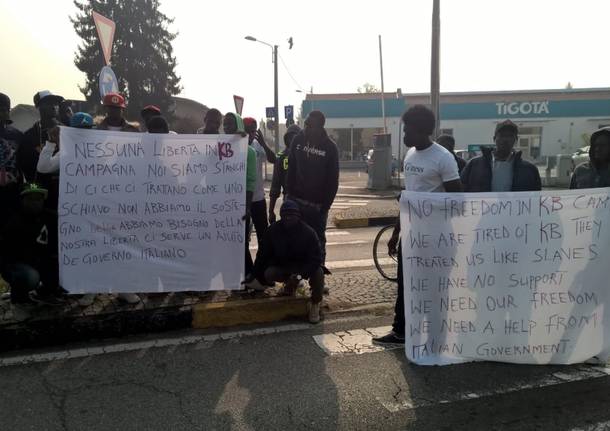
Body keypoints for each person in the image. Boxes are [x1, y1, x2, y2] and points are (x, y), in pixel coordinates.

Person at [373, 105, 463, 345]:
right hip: (412, 236)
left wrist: (421, 202)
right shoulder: (410, 155)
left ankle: (437, 335)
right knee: (406, 285)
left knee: (435, 289)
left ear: (422, 130)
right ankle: (401, 330)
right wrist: (395, 233)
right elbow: (408, 197)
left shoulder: (443, 158)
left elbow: (457, 202)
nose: (404, 136)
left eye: (407, 130)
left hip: (437, 237)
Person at [253, 200, 324, 323]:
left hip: (303, 267)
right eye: (286, 216)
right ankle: (289, 285)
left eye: (292, 216)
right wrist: (255, 276)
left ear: (298, 216)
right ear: (281, 216)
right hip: (284, 266)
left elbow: (316, 259)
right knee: (269, 273)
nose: (289, 219)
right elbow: (262, 255)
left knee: (319, 273)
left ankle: (315, 303)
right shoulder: (273, 231)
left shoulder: (309, 233)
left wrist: (300, 275)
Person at [285, 110, 339, 267]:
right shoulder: (298, 141)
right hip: (296, 202)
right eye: (305, 124)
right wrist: (289, 195)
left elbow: (332, 181)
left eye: (309, 125)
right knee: (293, 241)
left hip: (317, 207)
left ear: (320, 127)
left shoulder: (330, 148)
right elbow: (291, 169)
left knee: (317, 243)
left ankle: (318, 278)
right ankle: (293, 279)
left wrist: (325, 207)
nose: (305, 128)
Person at [0, 184, 64, 308]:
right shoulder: (13, 222)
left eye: (38, 199)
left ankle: (44, 293)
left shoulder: (52, 217)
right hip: (16, 264)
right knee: (30, 276)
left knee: (59, 264)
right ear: (22, 200)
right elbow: (9, 254)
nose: (35, 202)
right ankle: (19, 300)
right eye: (30, 199)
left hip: (40, 260)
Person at [460, 120, 541, 192]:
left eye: (510, 136)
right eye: (502, 135)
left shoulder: (529, 169)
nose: (506, 139)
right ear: (494, 138)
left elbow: (536, 198)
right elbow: (461, 190)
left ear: (516, 139)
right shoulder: (474, 165)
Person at [222, 113, 258, 278]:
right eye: (225, 124)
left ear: (238, 126)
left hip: (240, 204)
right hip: (223, 206)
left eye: (230, 124)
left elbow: (250, 182)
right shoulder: (221, 148)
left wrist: (247, 207)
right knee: (227, 244)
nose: (226, 127)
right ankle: (238, 276)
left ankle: (248, 275)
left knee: (240, 244)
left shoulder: (249, 151)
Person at [243, 117, 277, 245]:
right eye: (248, 131)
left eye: (253, 131)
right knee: (243, 237)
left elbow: (274, 160)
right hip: (241, 199)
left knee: (263, 235)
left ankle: (262, 263)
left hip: (258, 198)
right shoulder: (235, 145)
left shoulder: (258, 145)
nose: (251, 134)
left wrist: (263, 144)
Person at [20, 91, 64, 183]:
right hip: (40, 189)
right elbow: (25, 165)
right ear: (38, 107)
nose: (53, 106)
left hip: (65, 188)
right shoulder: (30, 135)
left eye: (55, 103)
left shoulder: (66, 131)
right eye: (48, 103)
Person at [0, 93, 25, 228]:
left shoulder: (17, 135)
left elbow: (23, 162)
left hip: (12, 191)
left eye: (5, 110)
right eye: (0, 109)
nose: (3, 113)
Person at [269, 124, 301, 223]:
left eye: (295, 138)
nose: (292, 141)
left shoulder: (306, 156)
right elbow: (275, 186)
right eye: (290, 138)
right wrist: (271, 211)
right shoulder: (281, 157)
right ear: (286, 140)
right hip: (289, 202)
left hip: (304, 202)